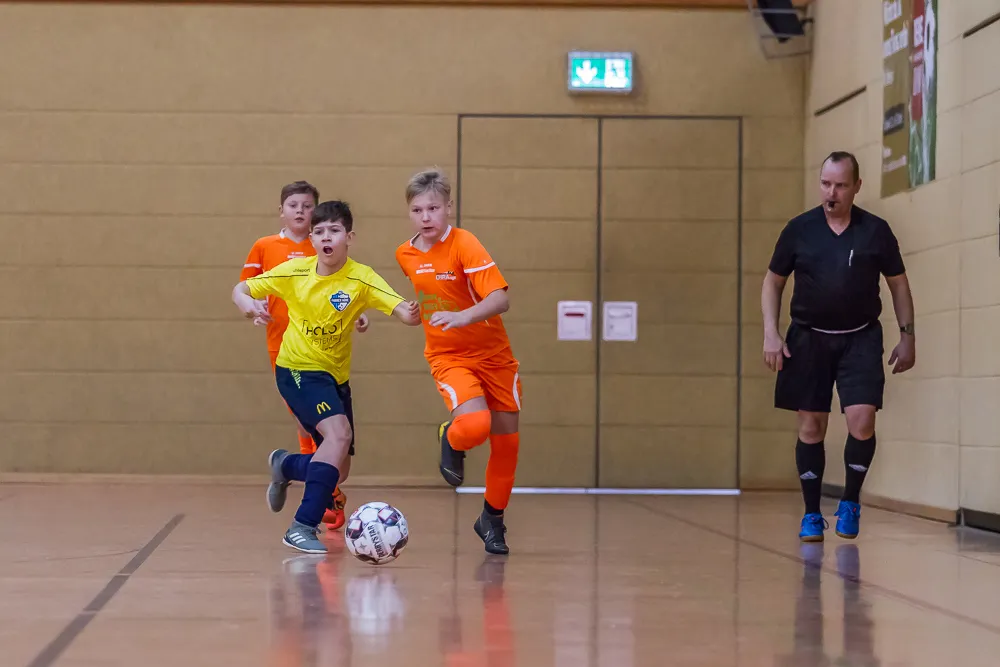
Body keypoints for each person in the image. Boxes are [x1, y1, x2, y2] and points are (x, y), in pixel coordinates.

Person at [234, 200, 421, 554]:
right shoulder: (296, 273)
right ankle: (302, 526)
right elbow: (241, 289)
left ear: (349, 237)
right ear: (311, 240)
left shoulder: (361, 278)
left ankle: (286, 465)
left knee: (339, 467)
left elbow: (403, 311)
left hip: (334, 377)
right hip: (296, 369)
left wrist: (414, 311)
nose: (325, 237)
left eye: (334, 230)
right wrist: (247, 304)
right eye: (318, 232)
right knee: (338, 436)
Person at [761, 151, 916, 542]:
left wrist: (907, 335)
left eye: (841, 185)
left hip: (860, 337)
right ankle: (812, 513)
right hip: (808, 338)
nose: (832, 193)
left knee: (862, 421)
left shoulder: (875, 231)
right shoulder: (799, 230)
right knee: (811, 425)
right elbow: (773, 281)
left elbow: (898, 284)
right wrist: (771, 332)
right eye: (826, 184)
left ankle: (850, 501)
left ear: (857, 187)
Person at [395, 168, 522, 555]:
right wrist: (414, 313)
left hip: (495, 356)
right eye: (418, 210)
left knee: (507, 444)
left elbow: (500, 299)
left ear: (448, 207)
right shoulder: (405, 254)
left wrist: (463, 316)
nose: (426, 217)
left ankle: (492, 520)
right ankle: (450, 436)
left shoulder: (465, 243)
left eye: (433, 208)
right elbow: (431, 295)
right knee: (475, 425)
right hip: (449, 356)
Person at [240, 181, 365, 531]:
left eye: (307, 206)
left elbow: (343, 290)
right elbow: (247, 286)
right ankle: (322, 496)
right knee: (309, 425)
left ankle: (300, 473)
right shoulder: (265, 246)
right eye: (293, 205)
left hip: (323, 351)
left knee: (328, 435)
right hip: (285, 349)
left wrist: (358, 314)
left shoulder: (322, 247)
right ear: (281, 211)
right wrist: (252, 307)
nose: (300, 211)